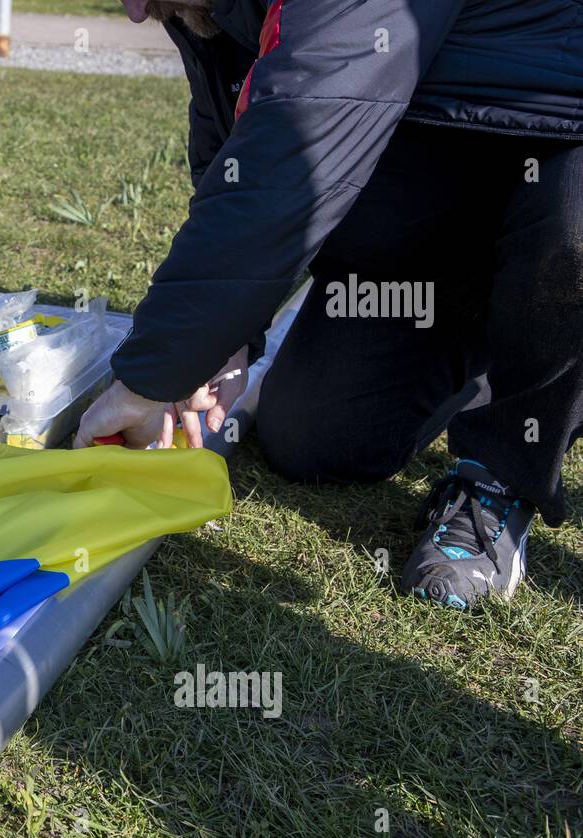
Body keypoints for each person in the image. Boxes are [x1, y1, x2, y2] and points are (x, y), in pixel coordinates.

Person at [76, 0, 583, 609]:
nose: (133, 13)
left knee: (572, 239)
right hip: (440, 223)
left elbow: (294, 154)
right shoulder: (206, 8)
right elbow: (234, 157)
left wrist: (149, 379)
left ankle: (500, 475)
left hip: (555, 158)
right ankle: (485, 336)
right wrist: (231, 335)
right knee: (316, 441)